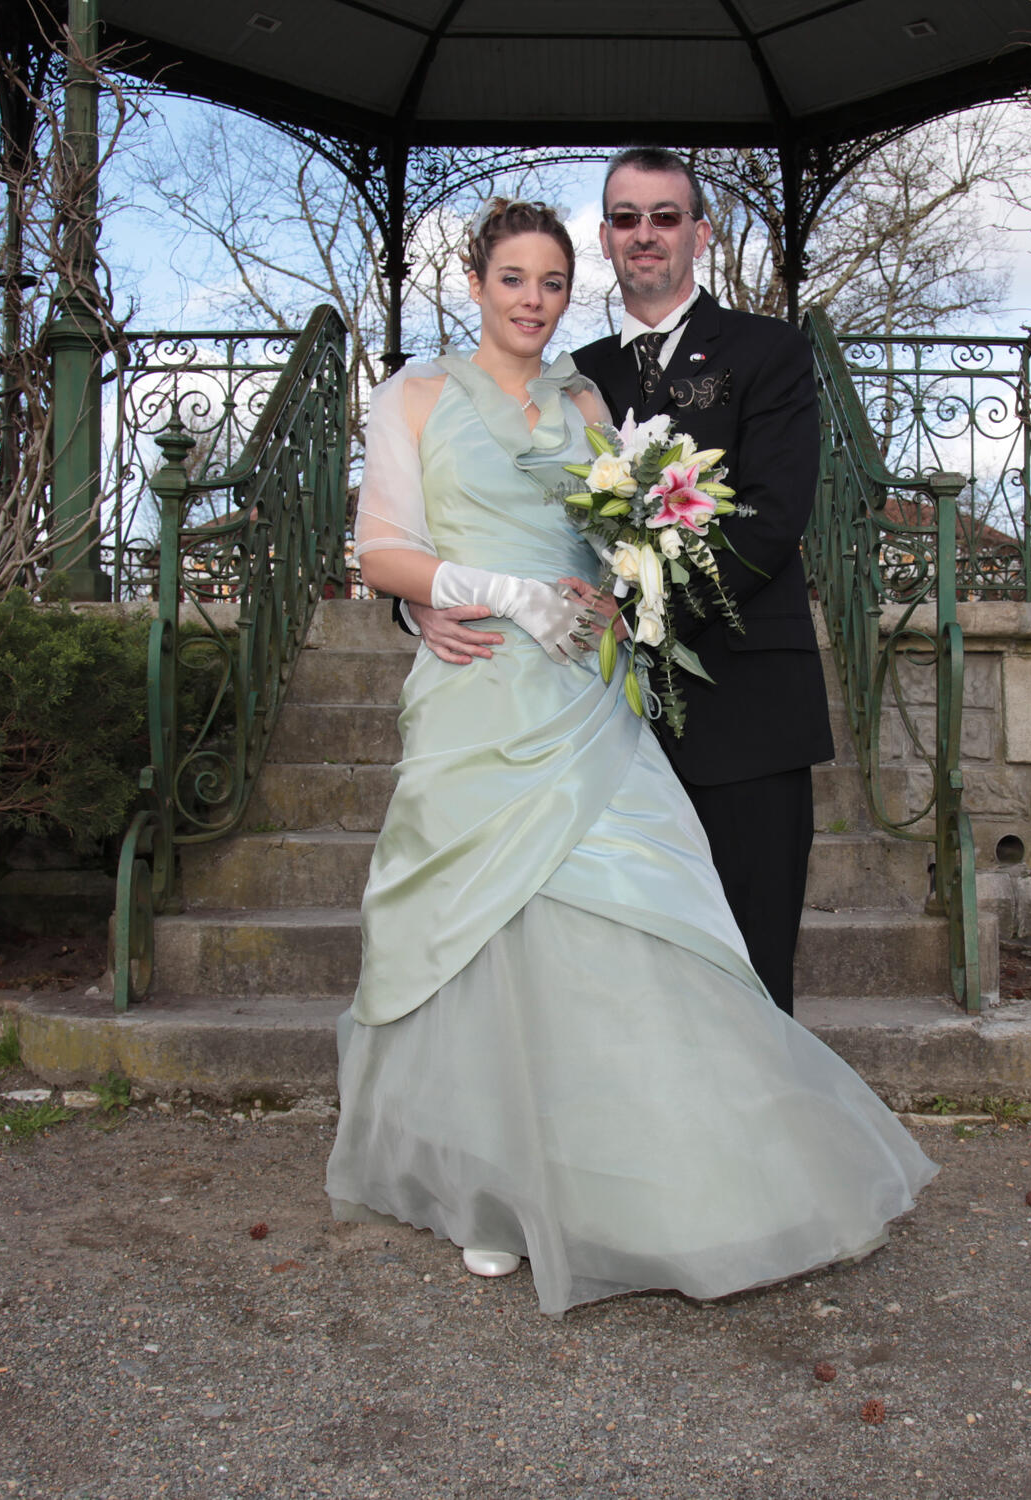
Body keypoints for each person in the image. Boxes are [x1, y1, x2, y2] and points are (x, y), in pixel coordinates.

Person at [329, 198, 933, 1316]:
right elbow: (382, 547)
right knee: (485, 940)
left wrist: (625, 591)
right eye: (513, 278)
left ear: (573, 291)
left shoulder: (591, 398)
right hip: (479, 693)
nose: (531, 299)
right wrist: (471, 598)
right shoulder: (412, 396)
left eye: (551, 283)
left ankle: (651, 1179)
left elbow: (629, 532)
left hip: (587, 693)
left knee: (635, 925)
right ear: (476, 282)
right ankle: (495, 1193)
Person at [409, 147, 831, 1015]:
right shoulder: (570, 374)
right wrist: (418, 597)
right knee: (622, 981)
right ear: (605, 238)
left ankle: (753, 1143)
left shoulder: (771, 352)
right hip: (588, 719)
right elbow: (483, 502)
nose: (647, 235)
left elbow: (775, 514)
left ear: (700, 234)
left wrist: (640, 604)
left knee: (751, 958)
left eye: (666, 216)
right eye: (627, 218)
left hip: (744, 702)